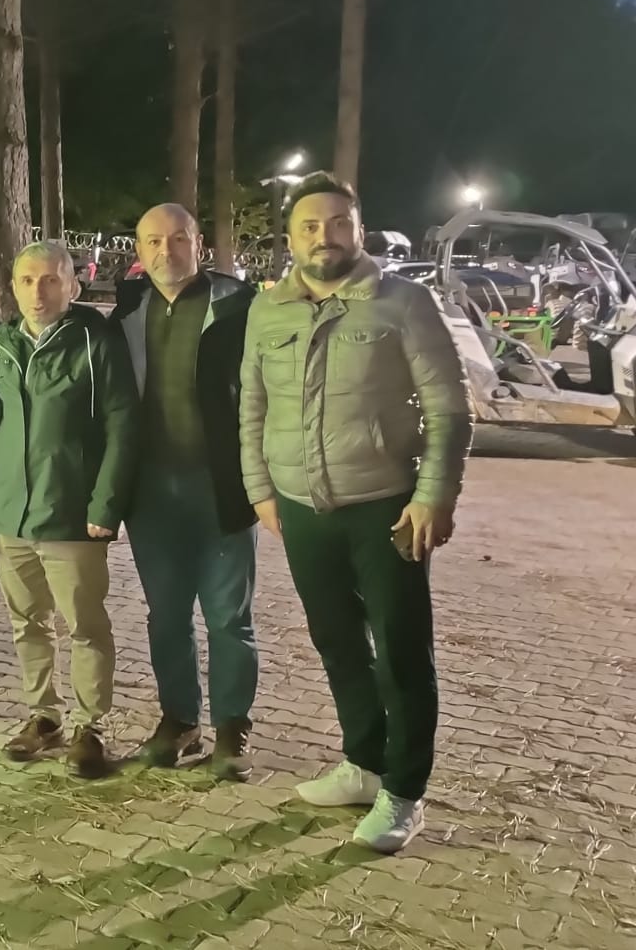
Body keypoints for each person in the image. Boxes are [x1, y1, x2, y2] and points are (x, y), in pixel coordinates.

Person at [240, 173, 471, 854]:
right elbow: (251, 405)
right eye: (310, 226)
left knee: (401, 651)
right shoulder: (267, 310)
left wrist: (433, 494)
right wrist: (260, 488)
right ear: (290, 239)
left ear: (359, 230)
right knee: (336, 641)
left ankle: (404, 791)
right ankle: (364, 762)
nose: (325, 236)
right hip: (300, 508)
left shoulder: (404, 303)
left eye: (339, 222)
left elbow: (450, 408)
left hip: (386, 509)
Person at [110, 204, 260, 781]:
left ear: (199, 244)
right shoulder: (128, 310)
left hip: (222, 488)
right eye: (153, 241)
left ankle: (232, 727)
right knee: (166, 615)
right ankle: (179, 719)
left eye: (177, 239)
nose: (165, 251)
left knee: (228, 618)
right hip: (153, 494)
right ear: (139, 250)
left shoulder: (240, 307)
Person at [0, 241, 138, 780]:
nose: (38, 292)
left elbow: (123, 427)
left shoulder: (95, 343)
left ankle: (90, 726)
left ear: (72, 285)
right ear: (13, 286)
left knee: (85, 625)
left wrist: (105, 504)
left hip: (72, 513)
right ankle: (44, 717)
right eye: (27, 281)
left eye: (50, 280)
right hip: (12, 514)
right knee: (27, 622)